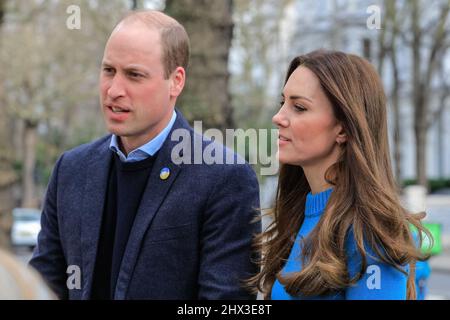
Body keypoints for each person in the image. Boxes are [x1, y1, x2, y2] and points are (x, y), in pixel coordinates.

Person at [29, 10, 260, 300]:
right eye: (109, 70)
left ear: (176, 81)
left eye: (134, 75)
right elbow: (41, 286)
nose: (114, 90)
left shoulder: (224, 177)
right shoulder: (71, 170)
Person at [247, 50, 430, 300]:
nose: (278, 117)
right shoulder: (298, 216)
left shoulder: (369, 232)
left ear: (343, 128)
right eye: (283, 103)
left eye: (299, 107)